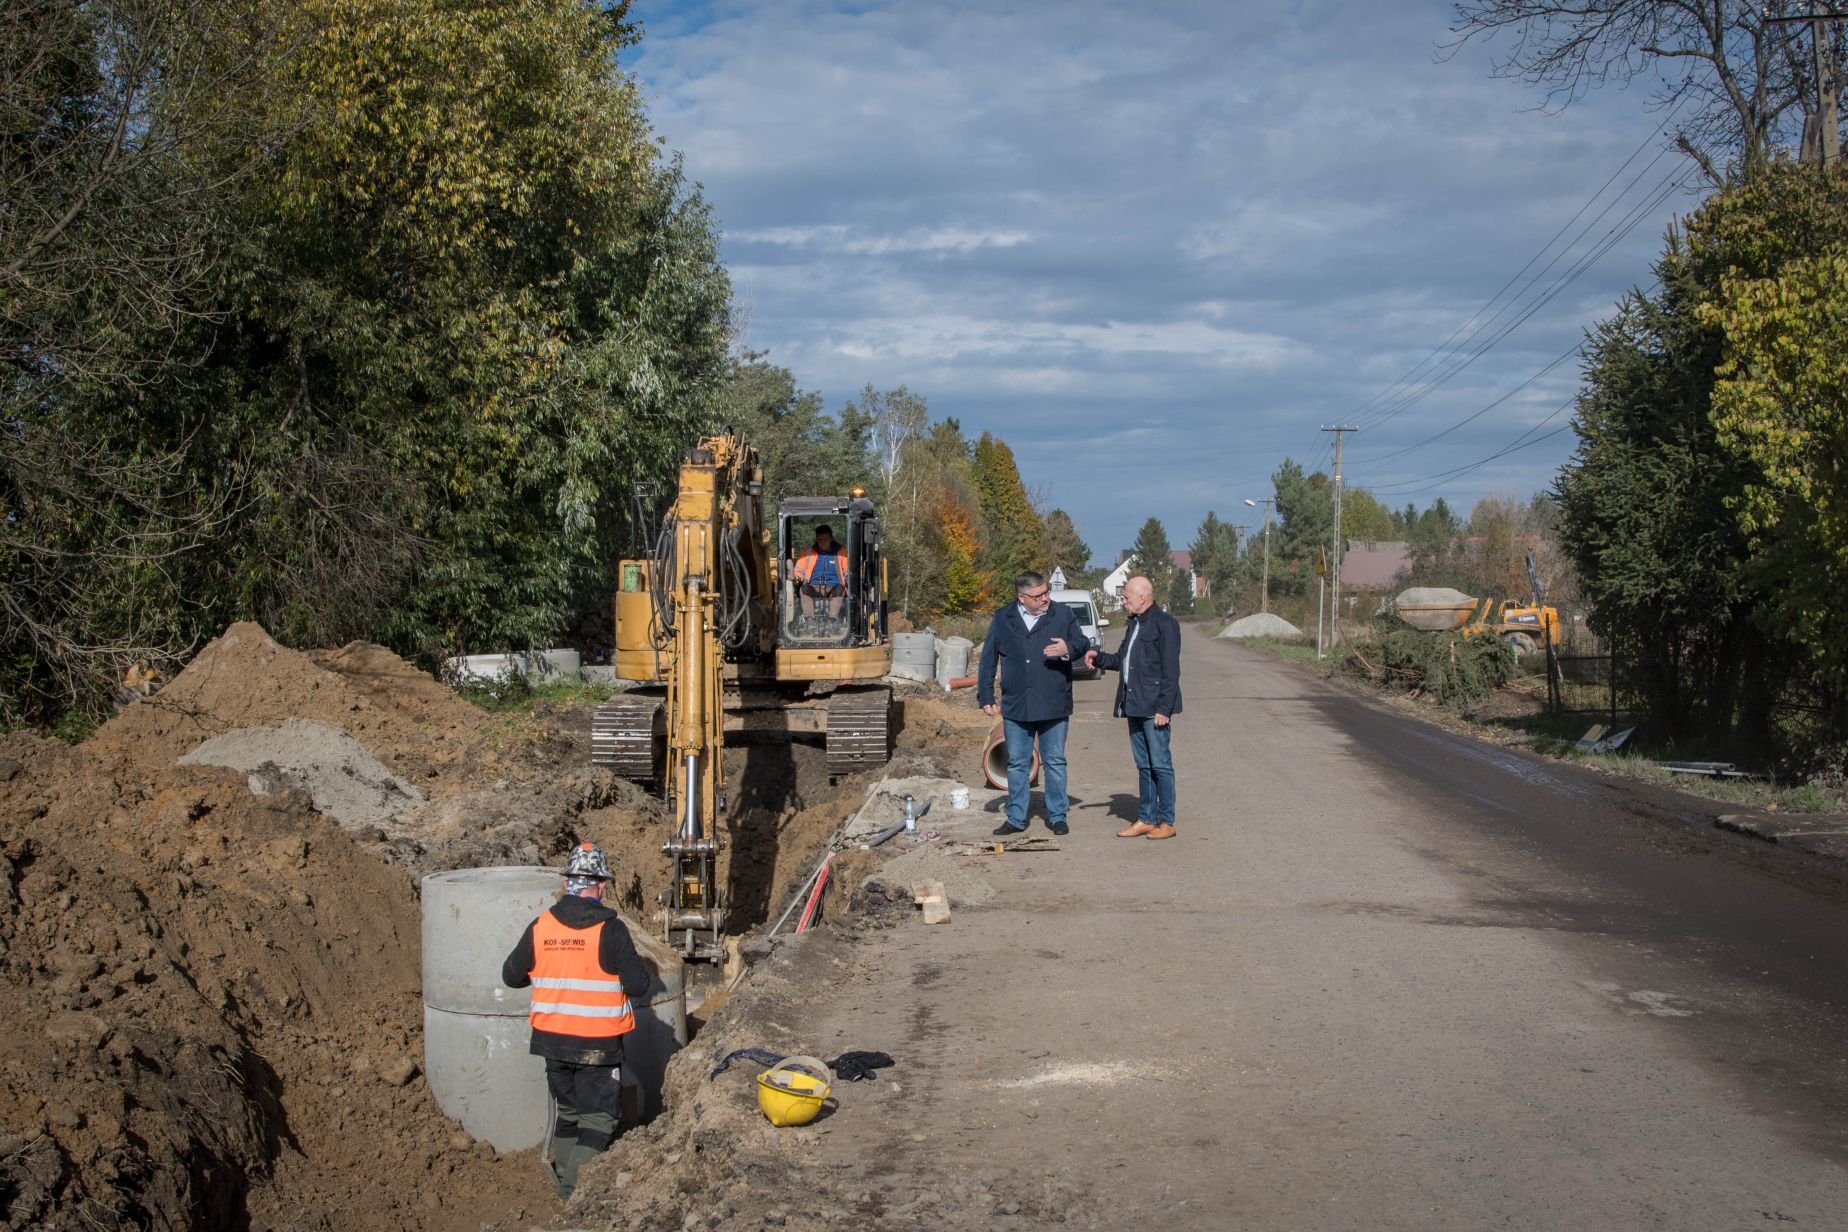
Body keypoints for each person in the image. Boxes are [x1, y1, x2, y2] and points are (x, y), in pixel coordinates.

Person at [502, 842, 651, 1200]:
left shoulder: (542, 925)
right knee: (599, 1120)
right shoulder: (610, 930)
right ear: (598, 883)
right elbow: (639, 986)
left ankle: (564, 1184)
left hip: (552, 1041)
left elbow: (511, 975)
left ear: (569, 881)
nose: (603, 889)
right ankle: (573, 1197)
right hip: (597, 1046)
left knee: (568, 1114)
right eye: (602, 884)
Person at [977, 571, 1093, 836]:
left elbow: (1082, 642)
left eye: (1046, 592)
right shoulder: (1002, 618)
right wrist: (985, 696)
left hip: (1053, 701)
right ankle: (1016, 818)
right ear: (1021, 597)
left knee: (1054, 761)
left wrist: (1069, 649)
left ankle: (1057, 815)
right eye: (1038, 595)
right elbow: (988, 660)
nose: (1045, 598)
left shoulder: (1062, 615)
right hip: (1017, 703)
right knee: (1017, 762)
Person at [1084, 575, 1183, 839]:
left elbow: (1171, 672)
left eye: (1126, 596)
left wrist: (1164, 709)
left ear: (1142, 597)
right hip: (1134, 706)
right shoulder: (1134, 625)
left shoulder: (1165, 625)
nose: (1123, 600)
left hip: (1155, 710)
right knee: (1144, 766)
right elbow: (1121, 660)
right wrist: (1099, 658)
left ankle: (1167, 822)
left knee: (1161, 765)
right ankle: (1146, 819)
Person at [791, 524, 849, 625]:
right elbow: (799, 570)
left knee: (840, 589)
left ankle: (832, 620)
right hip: (814, 587)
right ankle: (810, 620)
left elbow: (847, 571)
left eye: (825, 539)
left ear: (831, 538)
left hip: (834, 586)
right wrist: (797, 577)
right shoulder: (808, 552)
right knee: (804, 589)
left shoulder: (841, 552)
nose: (822, 542)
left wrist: (849, 579)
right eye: (819, 540)